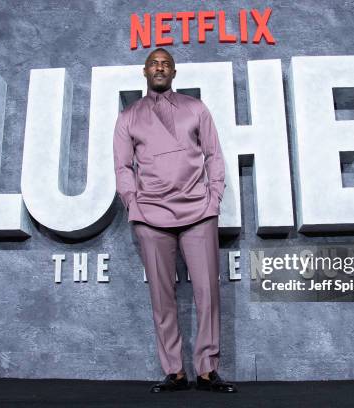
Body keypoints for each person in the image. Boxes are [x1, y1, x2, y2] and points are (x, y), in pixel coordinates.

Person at [113, 47, 237, 393]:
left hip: (198, 212)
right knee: (162, 296)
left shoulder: (195, 109)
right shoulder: (129, 116)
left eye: (166, 64)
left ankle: (208, 371)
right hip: (150, 215)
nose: (160, 68)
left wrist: (214, 198)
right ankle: (175, 371)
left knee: (207, 292)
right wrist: (132, 203)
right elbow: (123, 167)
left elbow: (214, 155)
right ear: (144, 71)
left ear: (174, 72)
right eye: (154, 63)